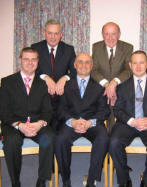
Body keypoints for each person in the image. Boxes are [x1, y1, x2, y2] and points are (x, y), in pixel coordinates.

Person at [0, 47, 55, 187]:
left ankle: (42, 180)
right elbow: (3, 110)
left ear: (37, 61)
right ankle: (15, 182)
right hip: (14, 125)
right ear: (20, 61)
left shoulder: (42, 84)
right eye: (26, 59)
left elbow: (48, 111)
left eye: (33, 59)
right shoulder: (7, 82)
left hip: (36, 125)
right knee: (11, 141)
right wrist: (19, 125)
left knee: (50, 137)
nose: (30, 62)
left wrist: (40, 123)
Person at [109, 50, 147, 187]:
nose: (138, 66)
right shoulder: (122, 86)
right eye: (135, 63)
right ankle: (124, 180)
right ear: (130, 65)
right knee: (113, 142)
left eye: (142, 62)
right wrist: (132, 121)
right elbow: (117, 110)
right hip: (128, 123)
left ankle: (146, 179)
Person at [55, 53, 110, 187]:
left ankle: (92, 180)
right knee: (60, 140)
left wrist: (90, 122)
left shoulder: (99, 86)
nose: (83, 65)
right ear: (74, 65)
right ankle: (66, 180)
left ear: (91, 66)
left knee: (103, 138)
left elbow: (104, 110)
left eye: (87, 62)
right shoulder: (65, 85)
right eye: (80, 62)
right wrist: (72, 122)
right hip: (71, 123)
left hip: (92, 124)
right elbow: (60, 109)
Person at [31, 19, 76, 131]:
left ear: (61, 35)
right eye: (50, 33)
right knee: (45, 134)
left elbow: (76, 71)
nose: (53, 37)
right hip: (41, 100)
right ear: (44, 33)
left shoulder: (69, 50)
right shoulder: (35, 48)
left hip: (61, 100)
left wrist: (64, 78)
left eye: (56, 33)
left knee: (59, 133)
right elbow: (30, 69)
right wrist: (45, 77)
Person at [91, 22, 133, 133]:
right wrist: (106, 84)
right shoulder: (96, 47)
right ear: (102, 35)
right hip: (101, 88)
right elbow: (93, 70)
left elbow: (128, 70)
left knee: (118, 109)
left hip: (120, 87)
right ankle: (103, 135)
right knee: (101, 107)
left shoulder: (128, 47)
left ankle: (115, 135)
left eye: (113, 34)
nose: (110, 38)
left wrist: (114, 83)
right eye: (107, 34)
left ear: (119, 34)